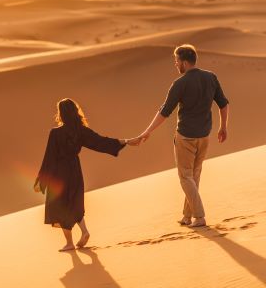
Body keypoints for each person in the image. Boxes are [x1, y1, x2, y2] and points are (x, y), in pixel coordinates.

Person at [133, 44, 230, 228]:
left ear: (184, 62)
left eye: (176, 61)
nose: (175, 64)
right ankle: (187, 216)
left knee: (186, 177)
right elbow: (223, 104)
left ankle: (199, 216)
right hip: (204, 136)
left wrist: (147, 132)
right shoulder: (211, 77)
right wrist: (223, 127)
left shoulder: (180, 83)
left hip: (186, 137)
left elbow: (165, 111)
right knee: (194, 176)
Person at [35, 98, 136, 251]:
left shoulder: (55, 134)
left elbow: (49, 158)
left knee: (60, 206)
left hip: (59, 174)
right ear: (75, 112)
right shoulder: (80, 131)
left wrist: (41, 181)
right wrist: (126, 141)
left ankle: (69, 243)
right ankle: (84, 231)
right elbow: (100, 142)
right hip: (75, 170)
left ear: (61, 114)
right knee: (74, 202)